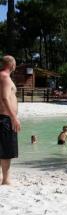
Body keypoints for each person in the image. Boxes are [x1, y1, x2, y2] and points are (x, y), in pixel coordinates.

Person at [0, 55, 20, 185]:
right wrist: (14, 118)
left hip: (4, 117)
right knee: (6, 150)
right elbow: (5, 98)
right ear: (12, 64)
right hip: (5, 118)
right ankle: (6, 180)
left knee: (2, 148)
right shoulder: (5, 77)